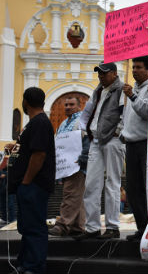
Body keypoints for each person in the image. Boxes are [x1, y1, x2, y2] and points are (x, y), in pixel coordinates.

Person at [74, 62, 125, 241]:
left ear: (114, 73)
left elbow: (125, 114)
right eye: (99, 73)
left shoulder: (121, 89)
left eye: (104, 73)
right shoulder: (98, 90)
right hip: (96, 140)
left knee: (112, 184)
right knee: (91, 184)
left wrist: (118, 132)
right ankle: (92, 227)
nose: (100, 76)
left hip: (112, 140)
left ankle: (112, 227)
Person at [7, 87, 55, 274]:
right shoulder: (33, 123)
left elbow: (39, 154)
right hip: (27, 185)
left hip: (34, 185)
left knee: (34, 227)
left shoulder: (40, 123)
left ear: (26, 102)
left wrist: (26, 181)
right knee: (26, 227)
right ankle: (25, 263)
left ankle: (34, 267)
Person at [121, 55, 148, 242]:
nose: (134, 70)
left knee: (146, 187)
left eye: (138, 67)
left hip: (146, 143)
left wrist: (132, 96)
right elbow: (130, 115)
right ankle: (142, 227)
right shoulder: (133, 88)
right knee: (133, 190)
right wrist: (123, 132)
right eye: (133, 66)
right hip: (131, 144)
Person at [48, 96, 88, 237]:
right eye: (66, 105)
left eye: (71, 104)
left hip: (77, 165)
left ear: (79, 106)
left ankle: (63, 225)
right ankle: (77, 227)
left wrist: (83, 158)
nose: (68, 107)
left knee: (70, 194)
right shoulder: (64, 123)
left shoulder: (82, 120)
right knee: (77, 196)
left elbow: (87, 139)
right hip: (65, 166)